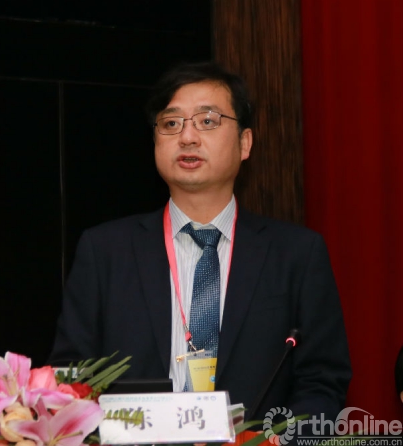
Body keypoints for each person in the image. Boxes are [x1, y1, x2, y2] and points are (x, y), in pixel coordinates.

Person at [48, 61, 351, 423]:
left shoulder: (297, 254)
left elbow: (322, 382)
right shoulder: (104, 251)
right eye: (171, 123)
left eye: (207, 121)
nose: (187, 137)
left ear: (245, 143)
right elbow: (71, 378)